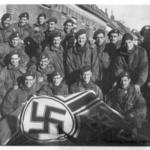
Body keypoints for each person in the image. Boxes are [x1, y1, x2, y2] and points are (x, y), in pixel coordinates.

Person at [106, 71, 147, 137]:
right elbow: (107, 104)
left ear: (129, 80)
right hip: (118, 119)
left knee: (131, 137)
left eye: (125, 80)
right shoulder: (115, 91)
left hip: (130, 120)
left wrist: (132, 114)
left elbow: (142, 106)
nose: (123, 83)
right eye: (121, 80)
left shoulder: (135, 91)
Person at [93, 29, 110, 94]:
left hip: (106, 79)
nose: (99, 39)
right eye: (97, 38)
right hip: (95, 79)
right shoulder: (93, 48)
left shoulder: (108, 48)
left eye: (101, 37)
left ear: (104, 38)